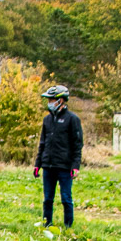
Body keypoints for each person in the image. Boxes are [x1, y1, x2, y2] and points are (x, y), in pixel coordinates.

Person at [33, 84, 83, 228]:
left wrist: (75, 166)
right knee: (47, 198)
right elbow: (42, 143)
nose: (49, 103)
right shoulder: (47, 120)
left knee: (66, 198)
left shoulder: (72, 119)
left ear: (61, 100)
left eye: (52, 99)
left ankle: (68, 226)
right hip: (48, 165)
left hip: (64, 166)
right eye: (48, 100)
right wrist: (38, 164)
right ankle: (46, 224)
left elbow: (77, 144)